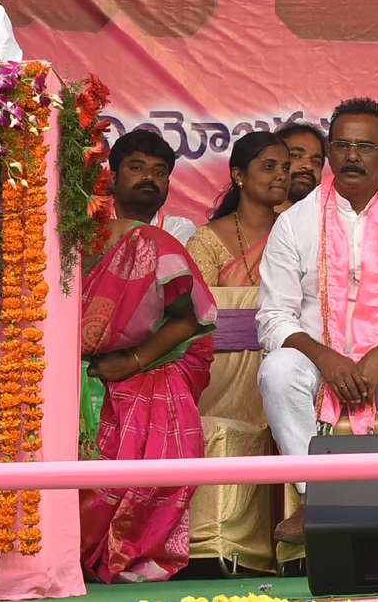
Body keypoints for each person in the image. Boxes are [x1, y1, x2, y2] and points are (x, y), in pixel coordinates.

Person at [256, 98, 378, 544]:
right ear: (328, 151)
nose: (351, 156)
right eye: (342, 145)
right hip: (318, 367)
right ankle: (318, 499)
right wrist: (326, 358)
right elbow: (273, 316)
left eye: (364, 146)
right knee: (277, 369)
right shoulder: (294, 222)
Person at [79, 129, 217, 583]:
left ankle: (134, 553)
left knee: (165, 433)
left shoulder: (162, 243)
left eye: (159, 172)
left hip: (155, 363)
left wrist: (132, 361)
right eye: (137, 168)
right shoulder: (73, 233)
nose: (149, 178)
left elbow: (191, 319)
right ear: (112, 175)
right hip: (76, 366)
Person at [187, 132, 290, 285]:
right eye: (269, 166)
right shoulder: (206, 241)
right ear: (239, 175)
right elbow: (201, 306)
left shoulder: (293, 230)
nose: (282, 175)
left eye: (286, 168)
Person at [275, 121, 326, 210]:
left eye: (316, 162)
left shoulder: (328, 221)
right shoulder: (246, 220)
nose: (308, 166)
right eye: (296, 156)